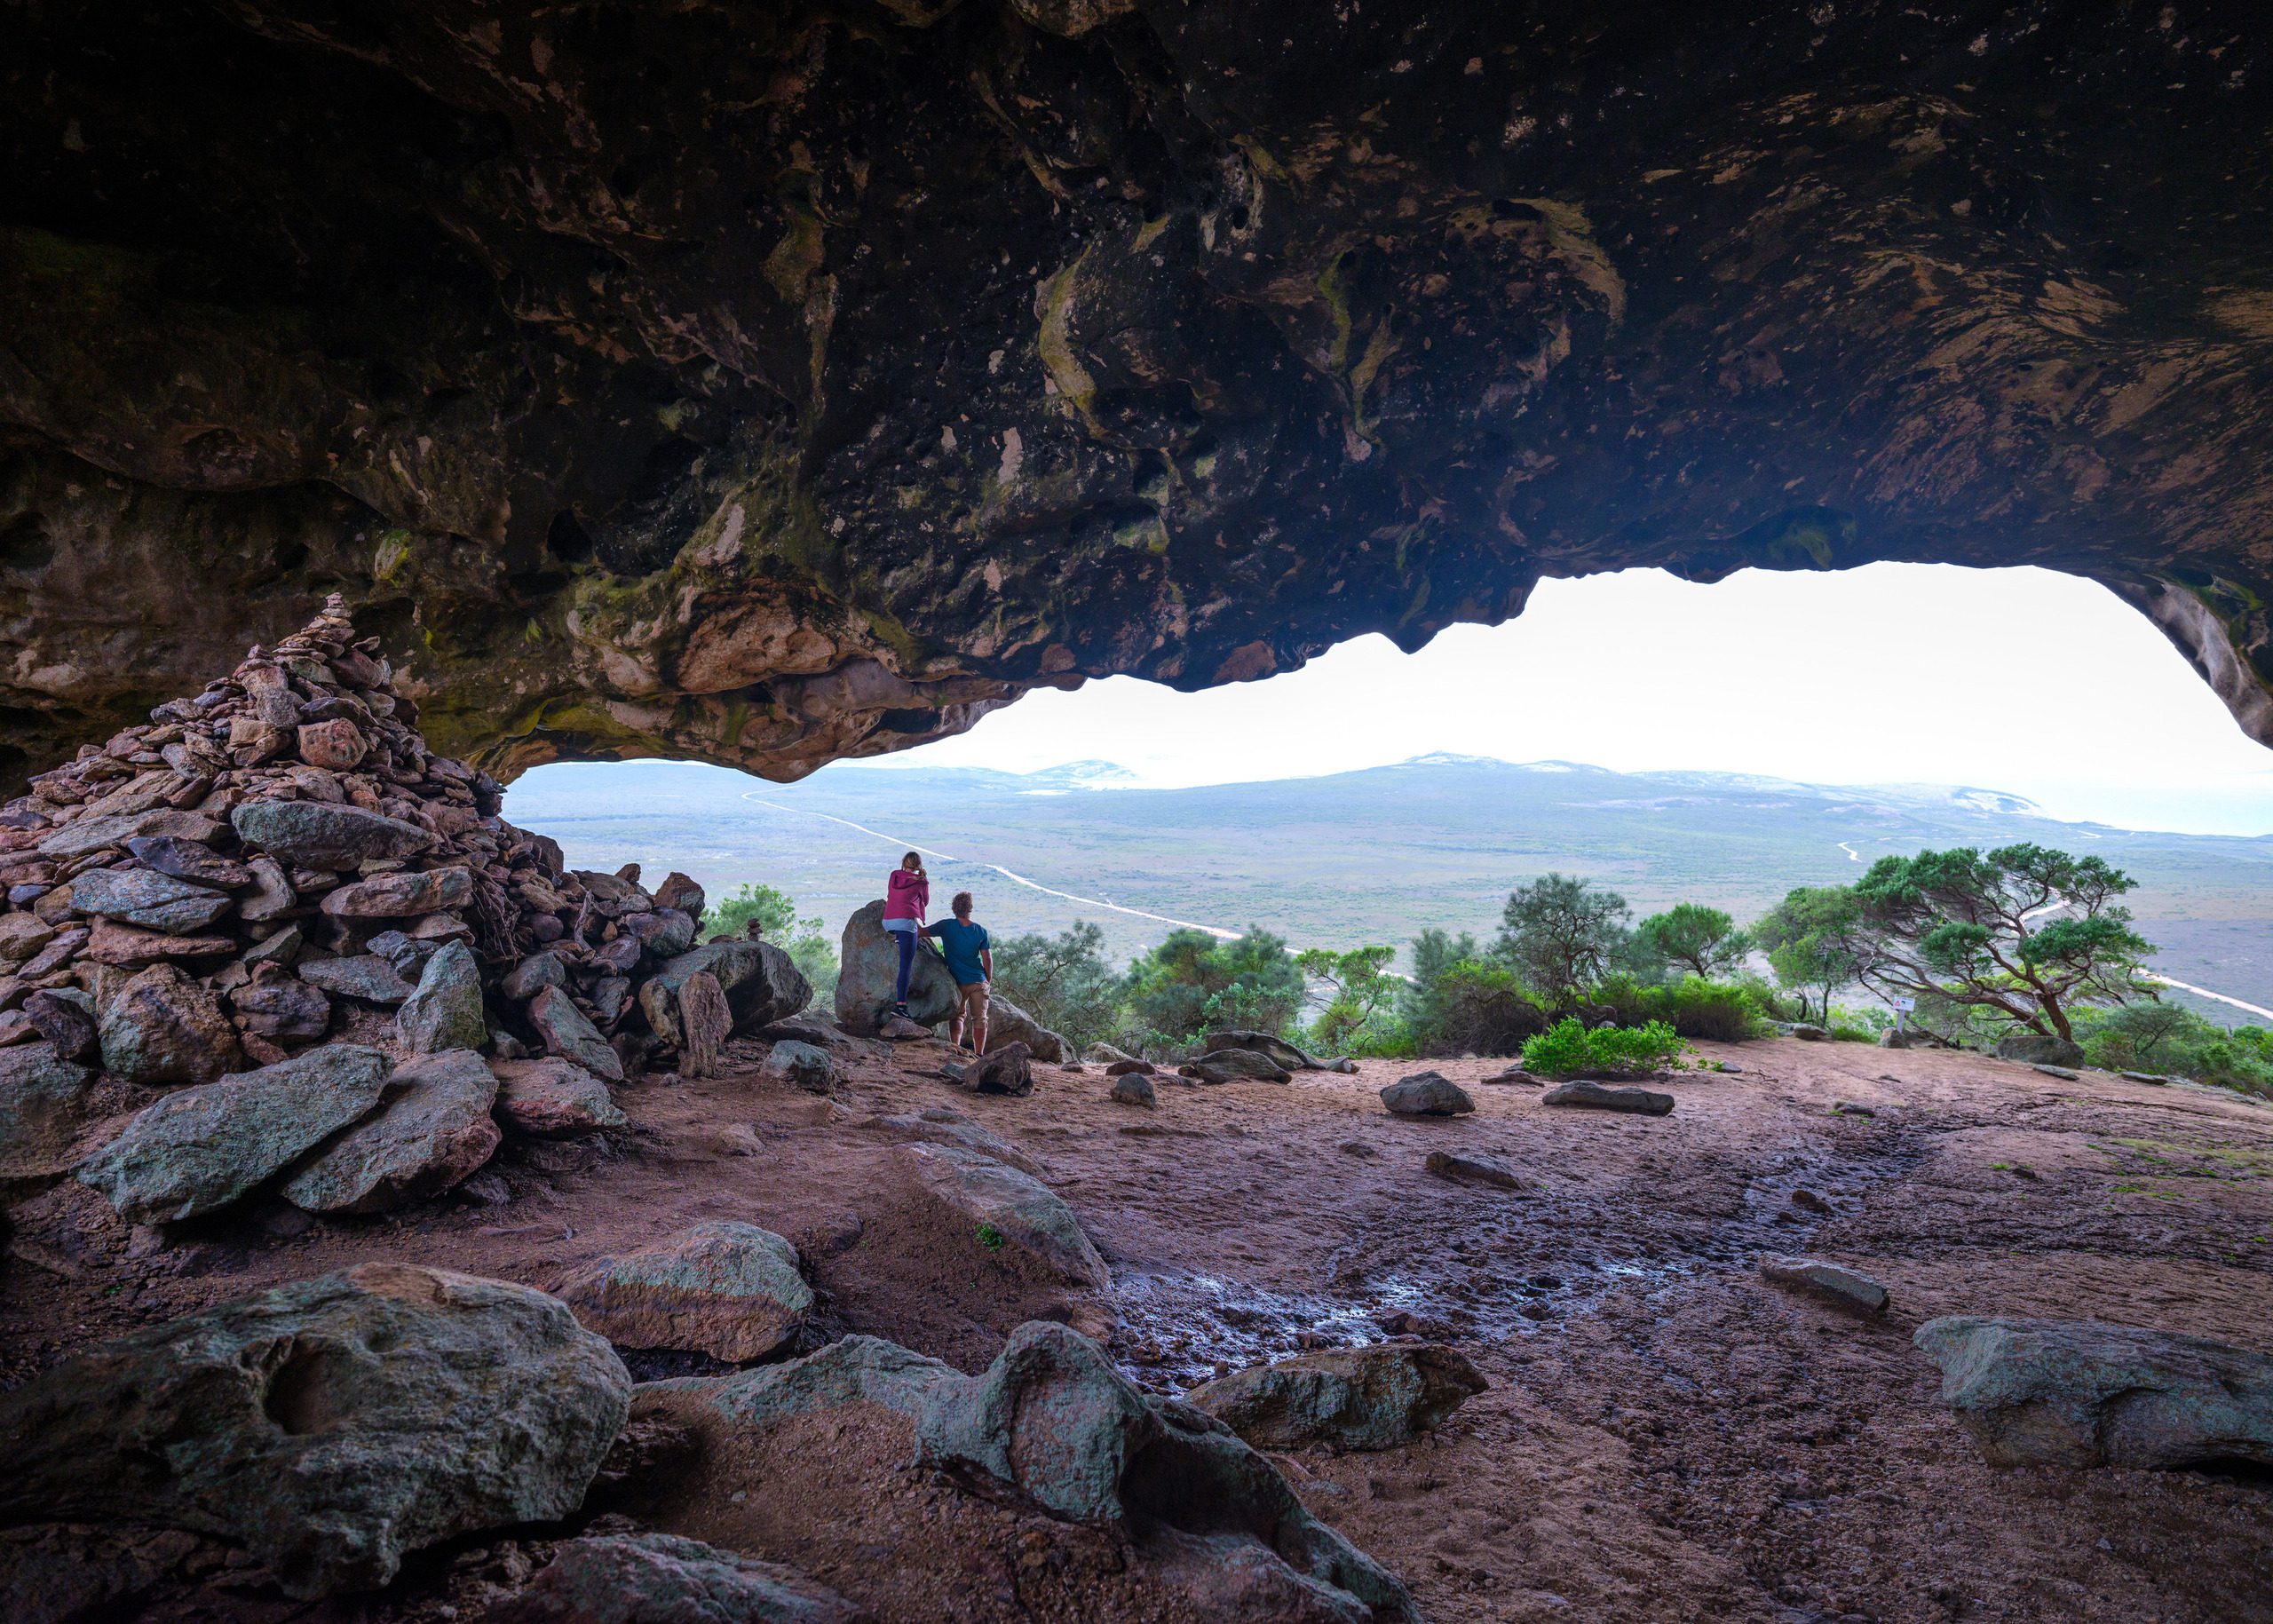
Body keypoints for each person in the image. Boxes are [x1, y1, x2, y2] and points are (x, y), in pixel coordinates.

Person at [925, 891, 992, 1054]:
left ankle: (955, 1048)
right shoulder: (981, 931)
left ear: (954, 909)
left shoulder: (945, 926)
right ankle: (979, 1054)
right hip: (978, 981)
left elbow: (920, 932)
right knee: (980, 1019)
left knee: (957, 1016)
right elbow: (987, 959)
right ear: (970, 909)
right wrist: (987, 979)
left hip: (957, 981)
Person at [882, 852, 928, 1018]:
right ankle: (901, 1007)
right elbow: (926, 901)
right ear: (919, 866)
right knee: (905, 967)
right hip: (905, 923)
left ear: (903, 863)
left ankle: (898, 937)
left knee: (903, 931)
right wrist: (922, 880)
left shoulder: (894, 875)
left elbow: (890, 894)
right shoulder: (922, 882)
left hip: (887, 922)